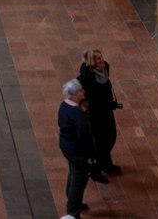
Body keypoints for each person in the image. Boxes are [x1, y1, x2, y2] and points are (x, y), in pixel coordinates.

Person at [78, 48, 122, 177]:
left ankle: (102, 163)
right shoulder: (85, 77)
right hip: (95, 113)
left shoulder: (105, 68)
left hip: (106, 110)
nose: (102, 60)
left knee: (110, 137)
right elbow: (80, 94)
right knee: (99, 140)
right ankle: (100, 165)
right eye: (98, 58)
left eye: (101, 57)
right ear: (92, 62)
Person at [57, 77, 95, 219]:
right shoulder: (78, 114)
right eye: (80, 91)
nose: (83, 92)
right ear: (73, 94)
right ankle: (73, 211)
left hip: (66, 147)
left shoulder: (64, 106)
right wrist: (91, 156)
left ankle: (72, 201)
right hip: (77, 152)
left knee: (73, 173)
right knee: (78, 182)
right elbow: (84, 137)